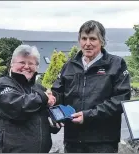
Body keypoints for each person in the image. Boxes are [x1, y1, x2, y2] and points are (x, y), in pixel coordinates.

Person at [51, 20, 131, 153]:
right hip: (73, 140)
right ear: (79, 40)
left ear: (102, 41)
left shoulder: (116, 64)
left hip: (103, 141)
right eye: (84, 38)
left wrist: (88, 116)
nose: (87, 43)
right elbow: (58, 93)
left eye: (93, 39)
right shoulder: (69, 66)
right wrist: (52, 98)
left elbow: (120, 100)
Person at [0, 45, 60, 153]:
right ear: (12, 65)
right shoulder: (1, 86)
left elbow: (42, 119)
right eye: (22, 62)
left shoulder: (39, 89)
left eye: (31, 63)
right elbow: (17, 106)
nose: (26, 66)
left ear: (37, 67)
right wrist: (44, 97)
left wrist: (54, 123)